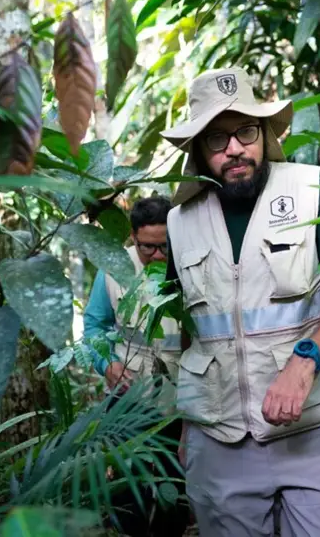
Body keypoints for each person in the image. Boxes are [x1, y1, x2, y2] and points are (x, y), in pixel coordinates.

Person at [162, 67, 320, 536]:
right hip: (219, 443)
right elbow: (191, 328)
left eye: (245, 132)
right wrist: (186, 423)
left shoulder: (313, 189)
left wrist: (306, 360)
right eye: (217, 139)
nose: (235, 148)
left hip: (315, 434)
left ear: (263, 134)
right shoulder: (179, 221)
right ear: (198, 149)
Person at [82, 196, 191, 537]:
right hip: (130, 401)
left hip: (182, 402)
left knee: (176, 490)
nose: (158, 256)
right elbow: (94, 327)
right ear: (132, 237)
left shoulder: (191, 267)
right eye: (148, 248)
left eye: (165, 247)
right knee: (128, 494)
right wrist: (107, 364)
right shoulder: (115, 270)